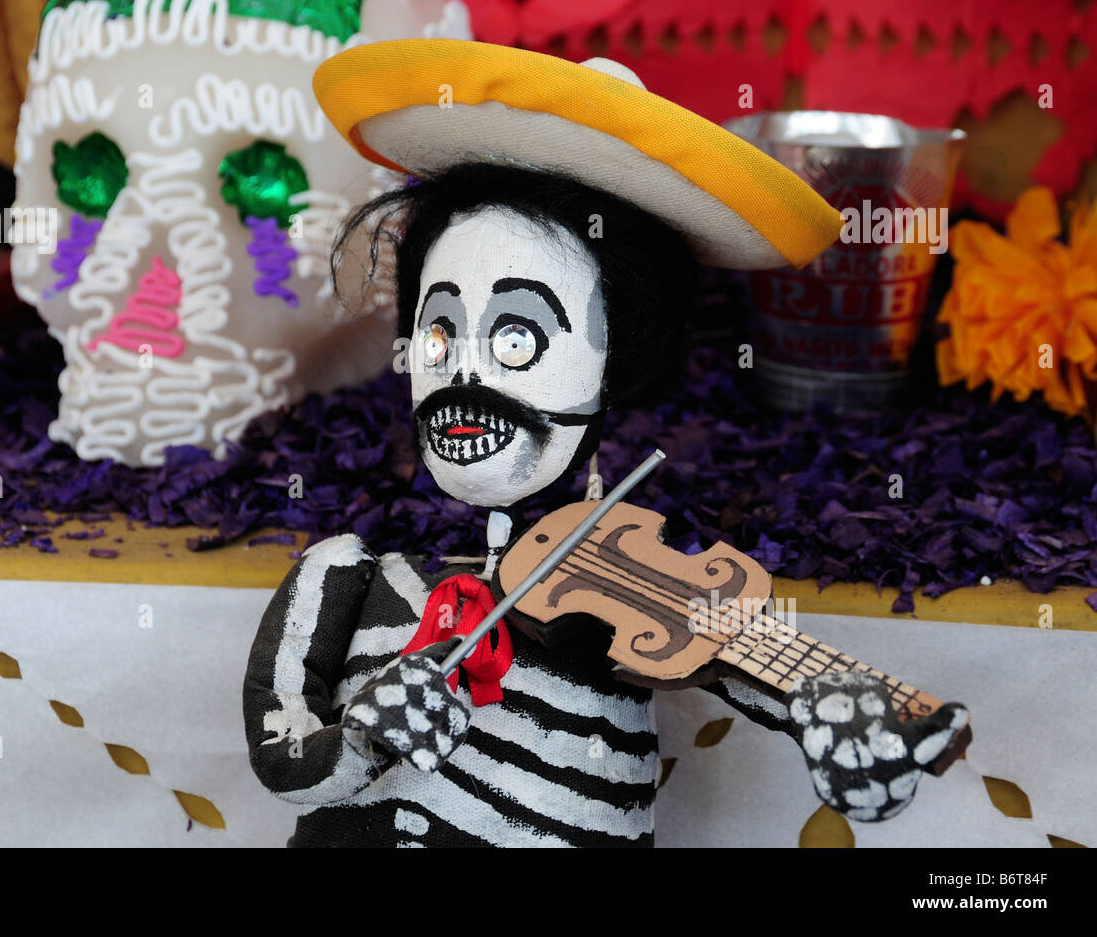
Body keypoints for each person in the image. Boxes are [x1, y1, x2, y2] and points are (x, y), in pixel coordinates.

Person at [242, 41, 969, 847]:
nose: (464, 377)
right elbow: (282, 760)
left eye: (517, 339)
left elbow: (727, 646)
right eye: (440, 336)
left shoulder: (623, 578)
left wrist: (834, 708)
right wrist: (364, 740)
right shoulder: (337, 578)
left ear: (618, 361)